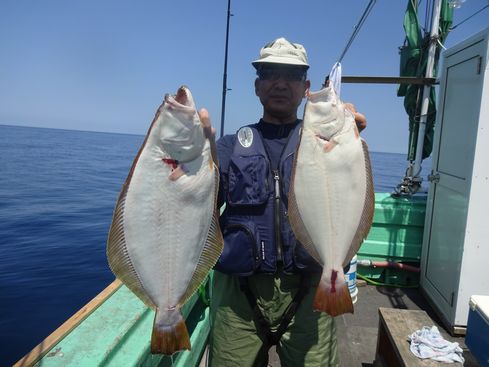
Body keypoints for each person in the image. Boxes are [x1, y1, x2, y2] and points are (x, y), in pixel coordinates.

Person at [199, 37, 367, 367]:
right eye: (270, 73)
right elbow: (197, 207)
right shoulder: (231, 147)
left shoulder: (331, 136)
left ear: (305, 87)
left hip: (310, 290)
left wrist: (354, 142)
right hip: (239, 296)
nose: (280, 83)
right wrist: (198, 161)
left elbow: (354, 193)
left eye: (291, 76)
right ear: (257, 86)